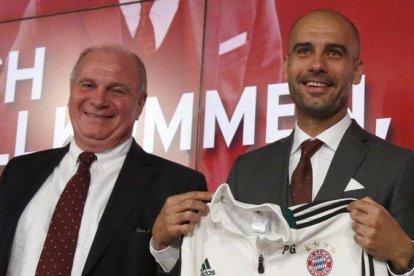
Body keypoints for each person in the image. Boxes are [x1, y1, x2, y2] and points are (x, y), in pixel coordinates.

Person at [152, 9, 414, 276]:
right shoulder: (247, 170)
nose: (316, 65)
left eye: (334, 52)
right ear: (286, 65)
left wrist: (405, 254)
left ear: (356, 70)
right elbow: (219, 265)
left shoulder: (399, 167)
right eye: (304, 51)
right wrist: (164, 245)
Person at [0, 45, 207, 276]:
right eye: (88, 85)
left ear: (140, 103)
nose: (99, 100)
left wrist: (163, 246)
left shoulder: (178, 186)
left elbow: (198, 269)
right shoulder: (19, 172)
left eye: (116, 90)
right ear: (71, 92)